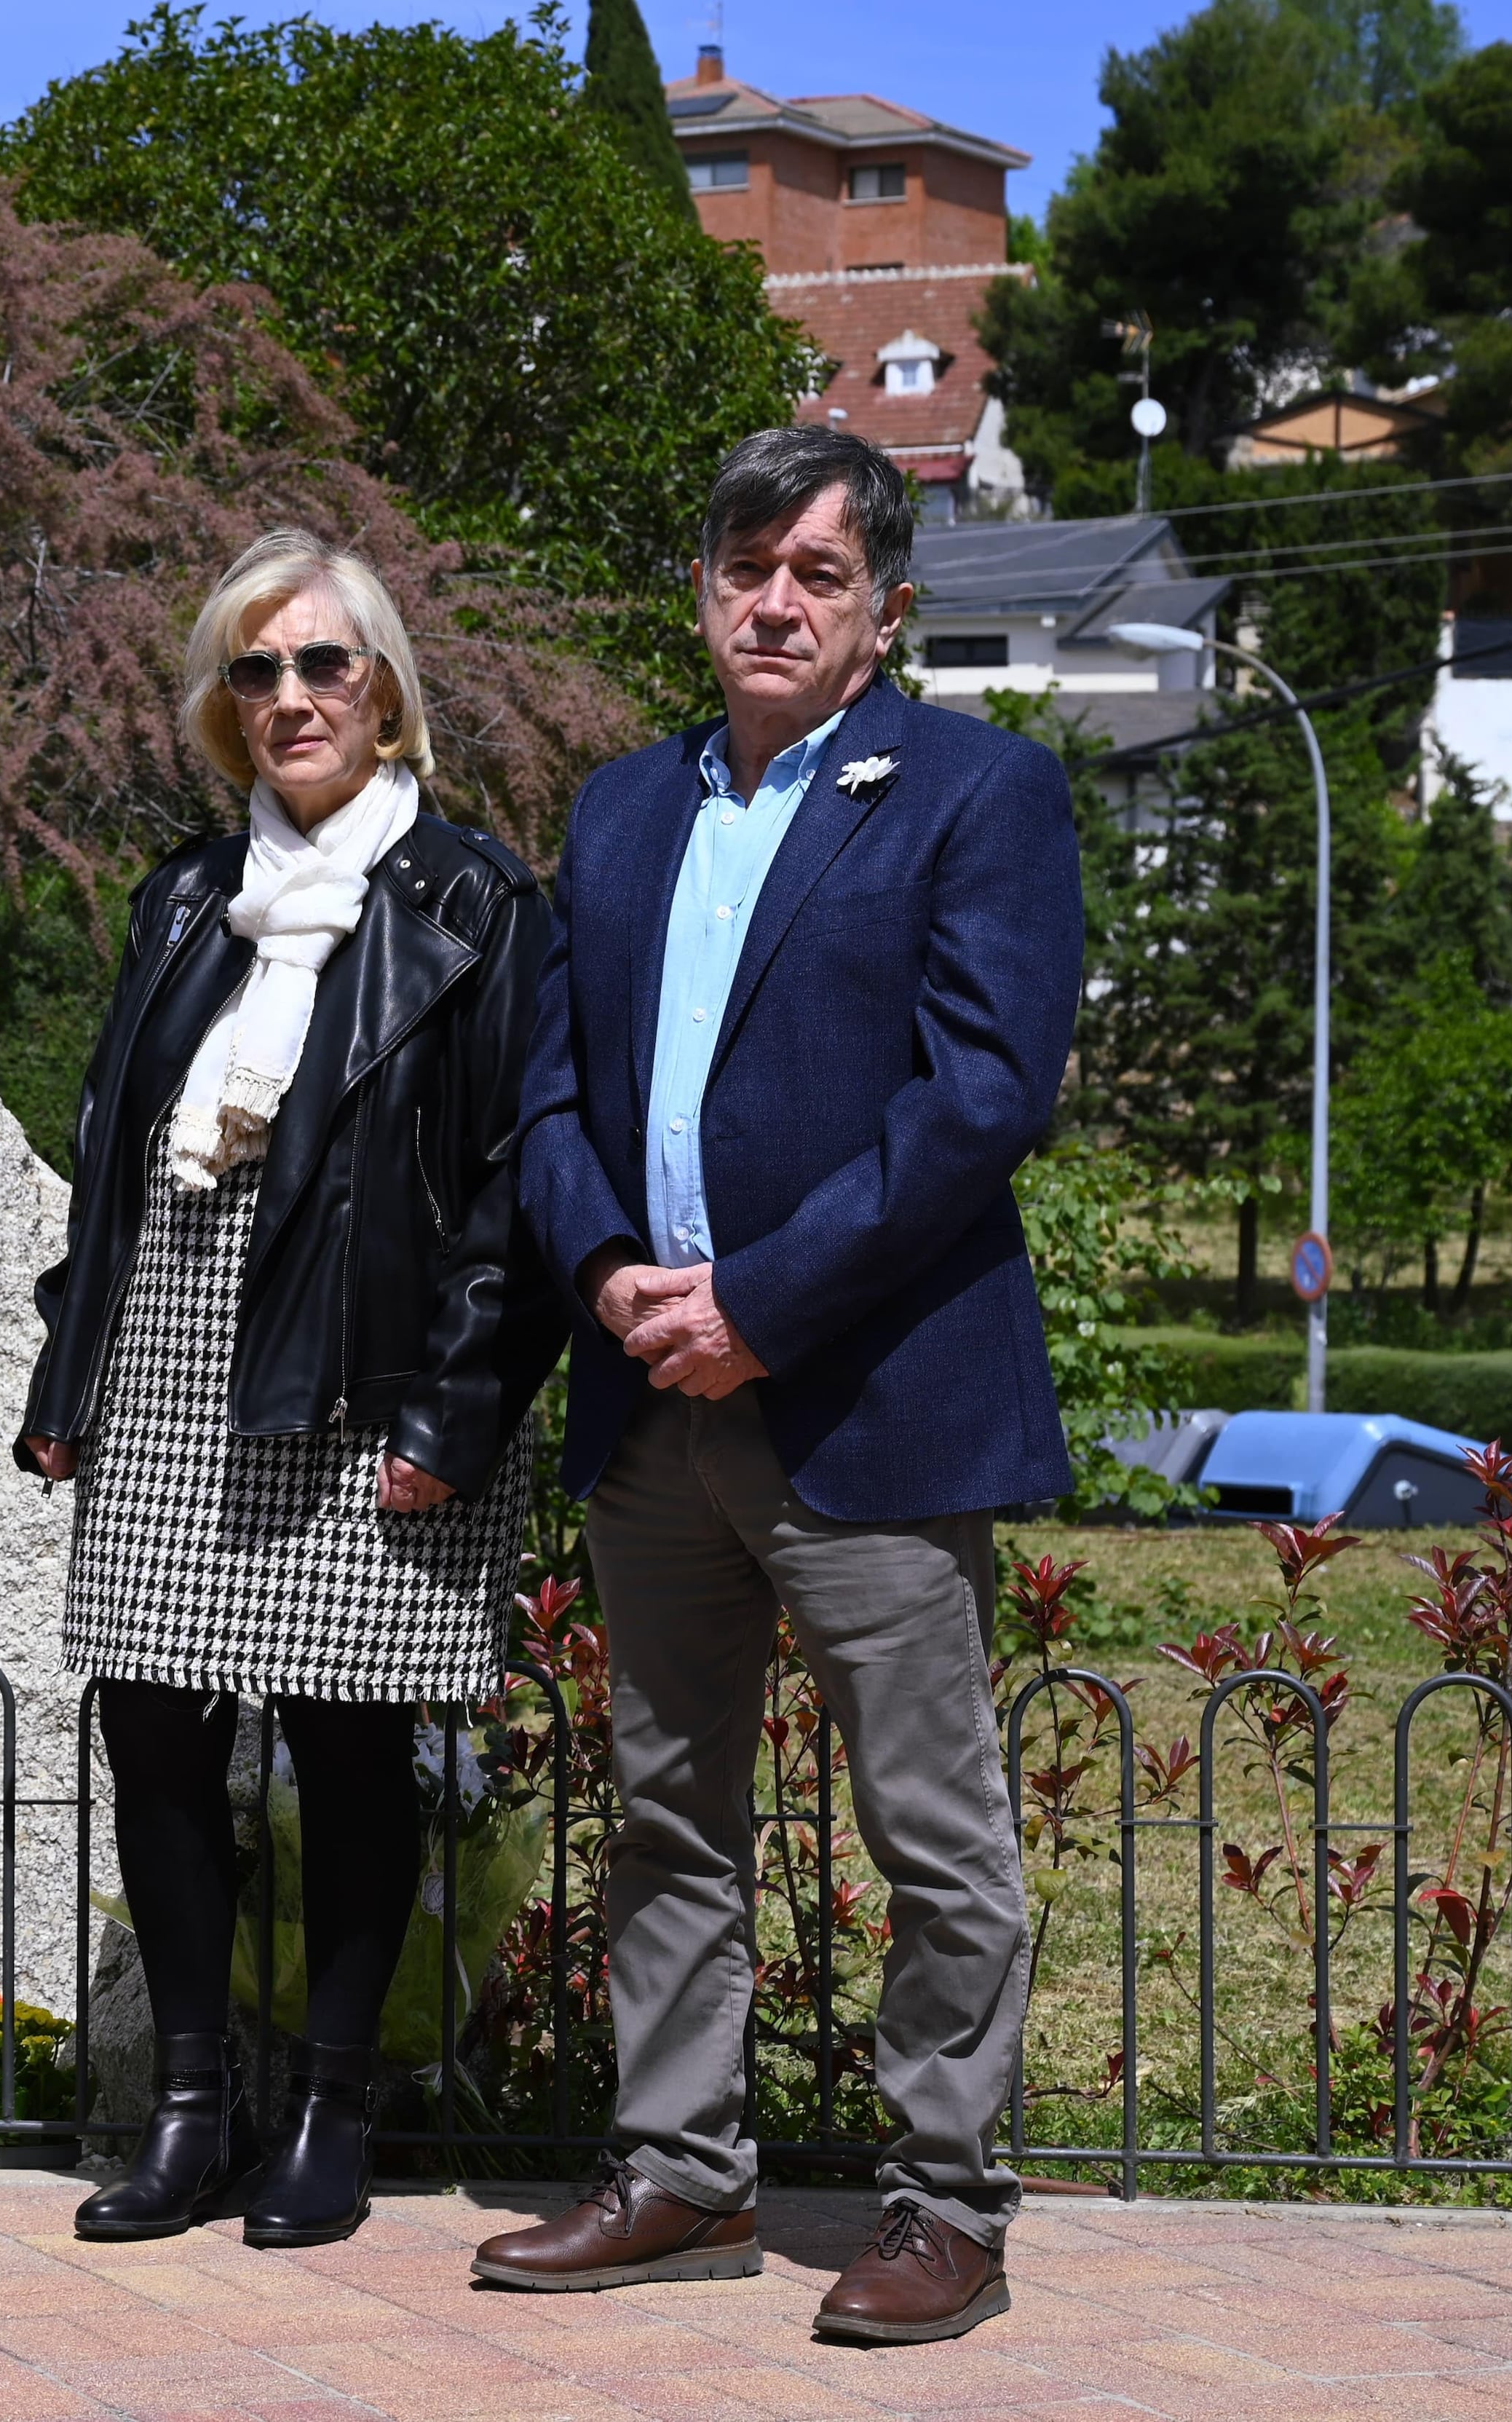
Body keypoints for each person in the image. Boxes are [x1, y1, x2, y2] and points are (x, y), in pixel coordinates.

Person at [475, 427, 1082, 2344]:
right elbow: (549, 1088)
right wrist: (610, 1272)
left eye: (819, 572)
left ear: (886, 605)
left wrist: (760, 1299)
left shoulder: (978, 795)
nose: (777, 600)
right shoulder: (623, 807)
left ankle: (945, 2206)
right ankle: (682, 2170)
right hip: (653, 1398)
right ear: (701, 589)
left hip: (867, 1401)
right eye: (747, 565)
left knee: (935, 1832)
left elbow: (978, 1099)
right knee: (668, 1814)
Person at [16, 529, 553, 2250]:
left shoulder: (471, 896)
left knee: (345, 1739)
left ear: (386, 691)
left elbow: (506, 1185)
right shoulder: (186, 895)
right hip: (173, 1350)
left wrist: (450, 1410)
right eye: (255, 671)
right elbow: (108, 1154)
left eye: (323, 664)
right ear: (221, 706)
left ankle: (330, 2105)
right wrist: (70, 1358)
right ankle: (188, 2111)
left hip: (362, 1373)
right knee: (153, 1722)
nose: (291, 697)